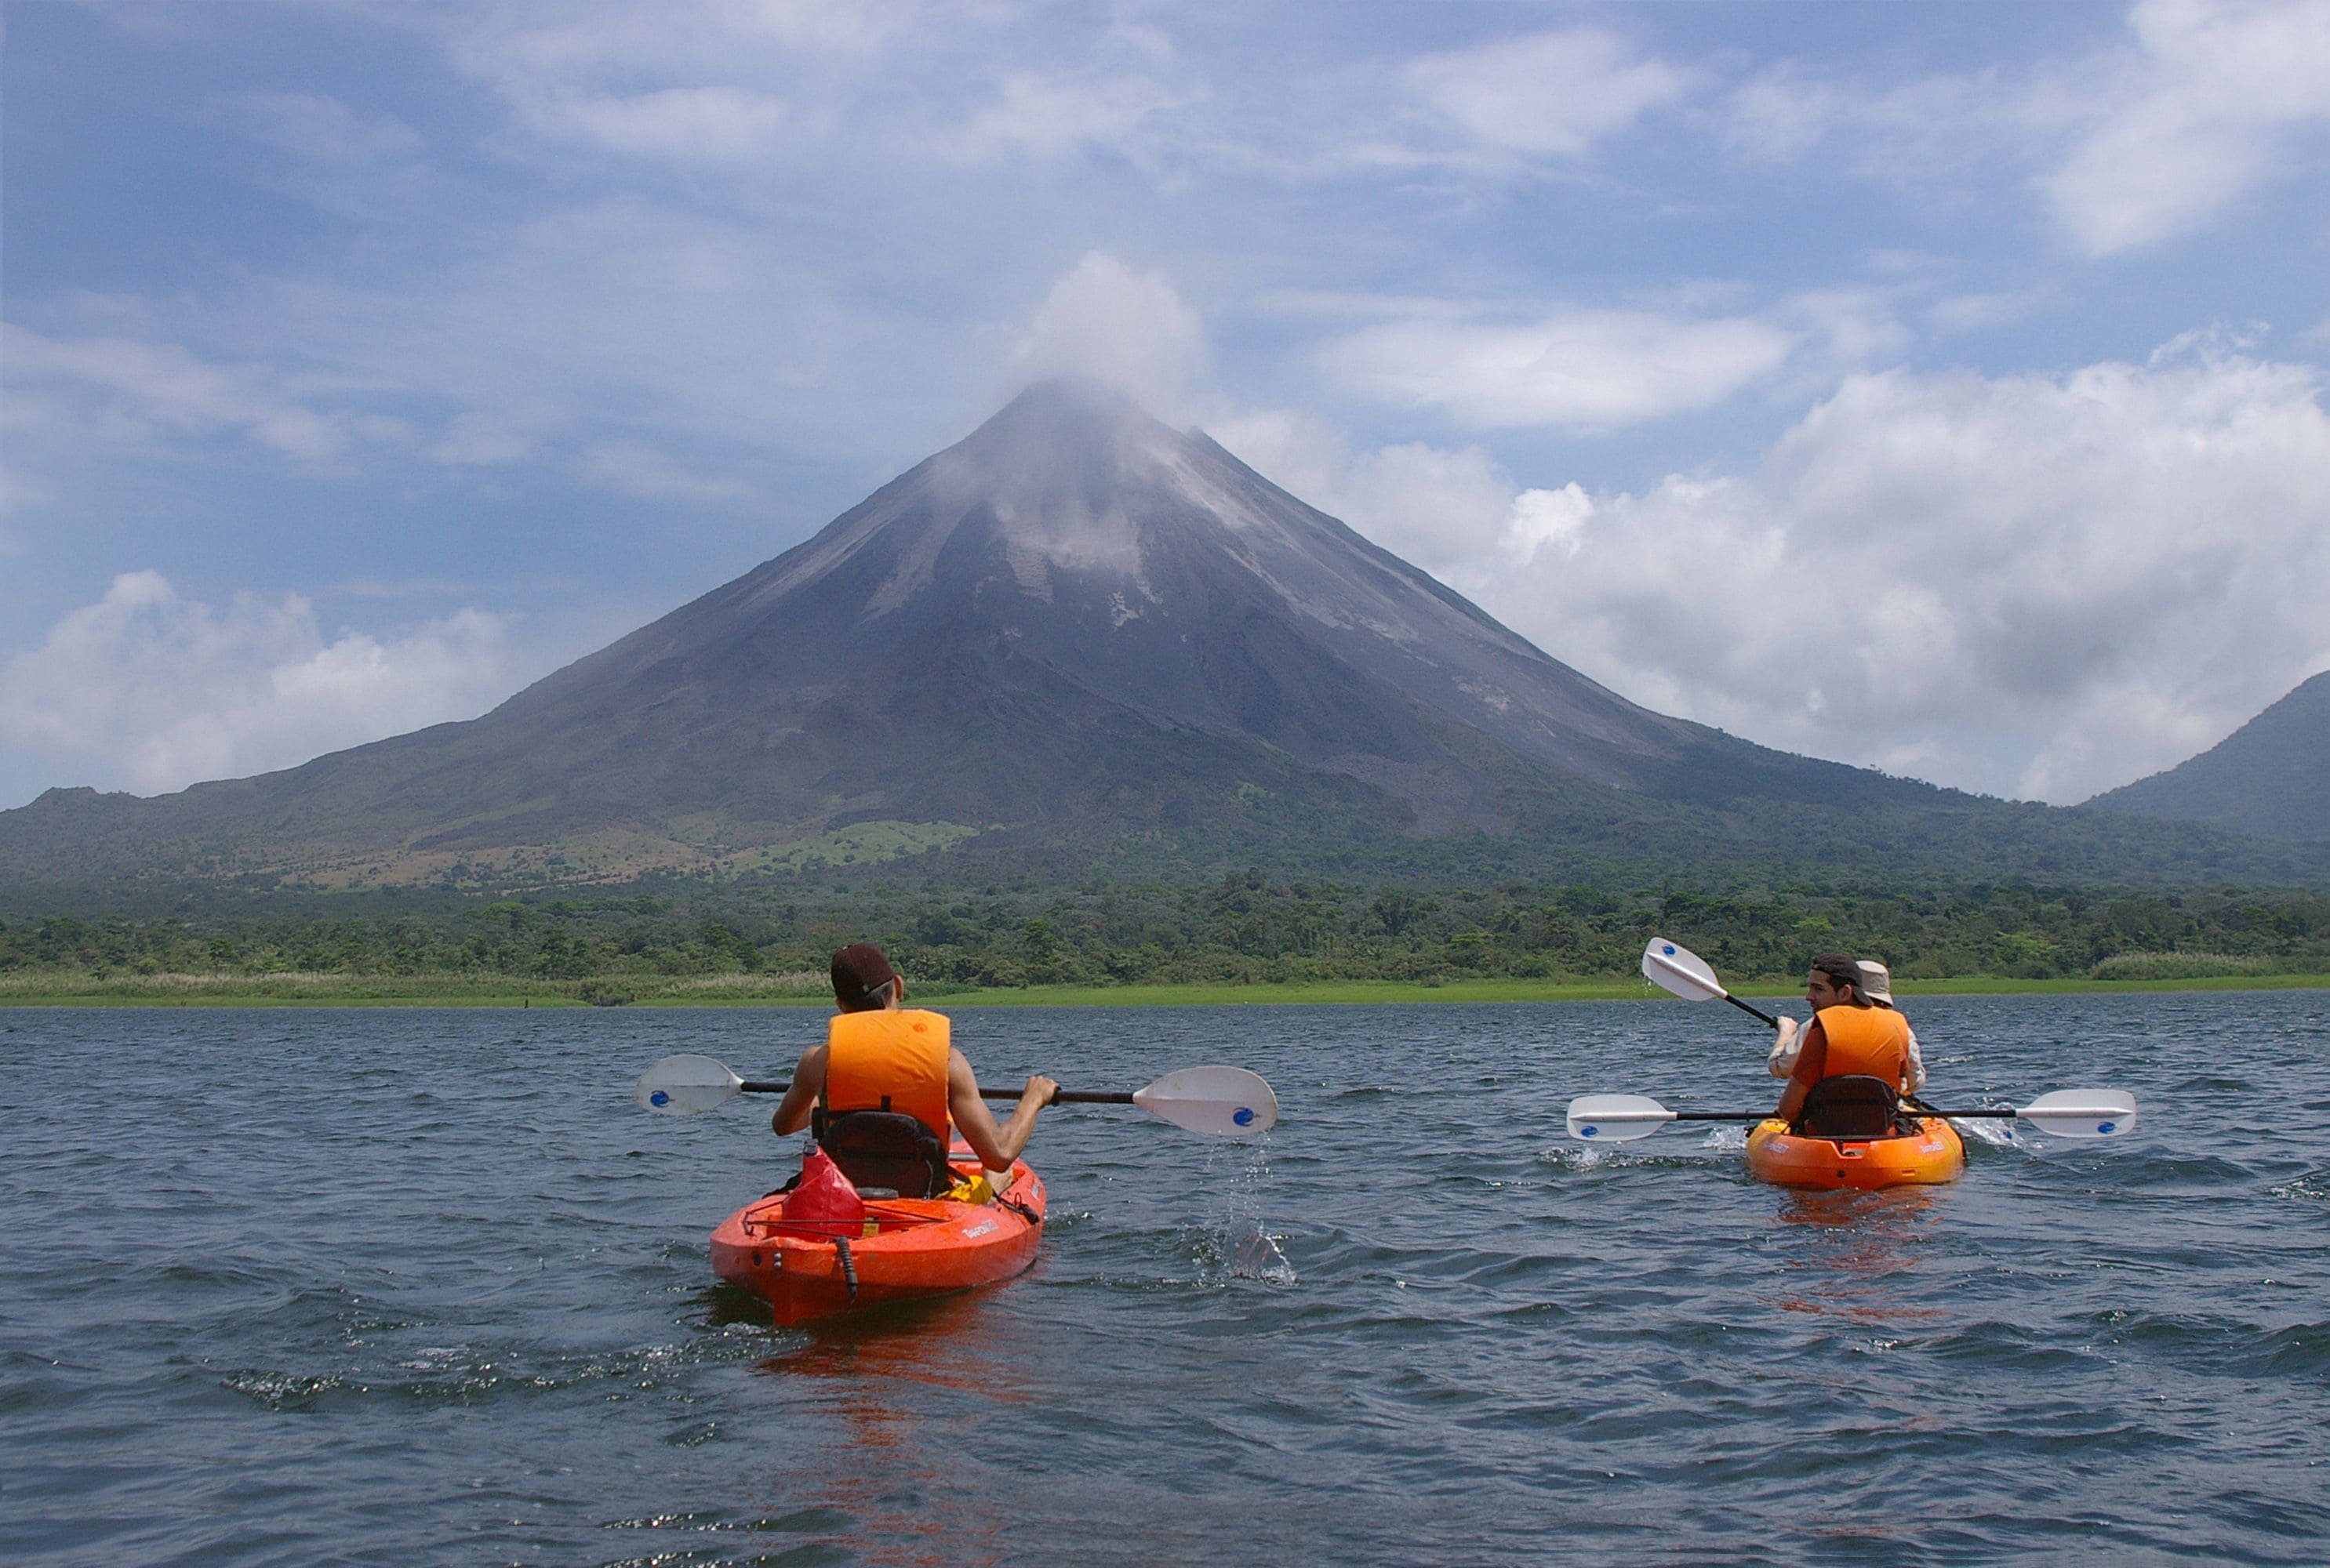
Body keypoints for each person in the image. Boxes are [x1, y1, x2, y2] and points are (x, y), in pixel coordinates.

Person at [770, 942, 1057, 1198]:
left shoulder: (816, 1062)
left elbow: (783, 1125)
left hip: (845, 1196)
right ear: (898, 986)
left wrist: (828, 1104)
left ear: (840, 1005)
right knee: (996, 1174)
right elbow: (999, 1154)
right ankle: (991, 1189)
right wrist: (1033, 1099)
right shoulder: (947, 1061)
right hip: (924, 1196)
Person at [1766, 952, 1917, 1128]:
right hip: (1882, 1130)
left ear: (1845, 992)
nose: (1808, 996)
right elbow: (1913, 1082)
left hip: (1825, 1131)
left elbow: (1787, 1109)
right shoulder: (1898, 1025)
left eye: (1818, 989)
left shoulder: (1819, 1029)